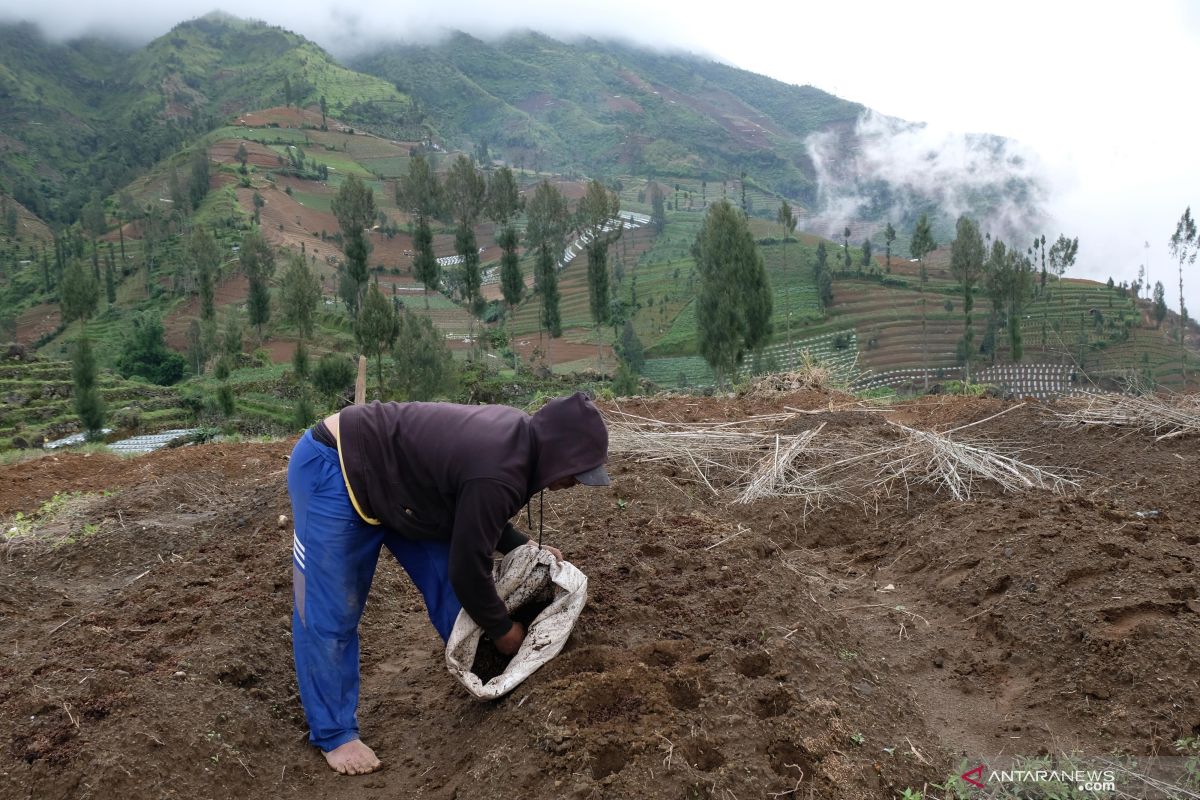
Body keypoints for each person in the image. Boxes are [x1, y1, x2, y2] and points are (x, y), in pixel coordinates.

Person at [286, 392, 609, 775]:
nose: (574, 484)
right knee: (330, 611)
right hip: (336, 467)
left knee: (457, 598)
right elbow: (468, 565)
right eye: (576, 473)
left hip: (405, 490)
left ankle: (488, 671)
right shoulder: (501, 468)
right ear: (560, 453)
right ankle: (335, 733)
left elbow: (476, 509)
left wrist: (525, 545)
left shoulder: (519, 447)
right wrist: (504, 631)